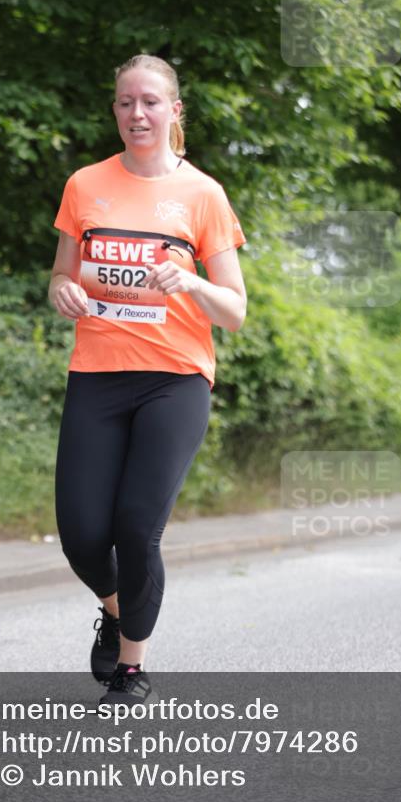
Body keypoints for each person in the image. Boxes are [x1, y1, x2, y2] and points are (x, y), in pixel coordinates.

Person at [49, 54, 247, 706]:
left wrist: (189, 281)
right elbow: (60, 276)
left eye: (151, 102)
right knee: (81, 534)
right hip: (96, 374)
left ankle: (132, 667)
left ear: (174, 111)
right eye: (126, 102)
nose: (138, 113)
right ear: (114, 110)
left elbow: (236, 312)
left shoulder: (203, 195)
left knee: (136, 528)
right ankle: (113, 609)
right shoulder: (85, 185)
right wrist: (63, 294)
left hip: (174, 380)